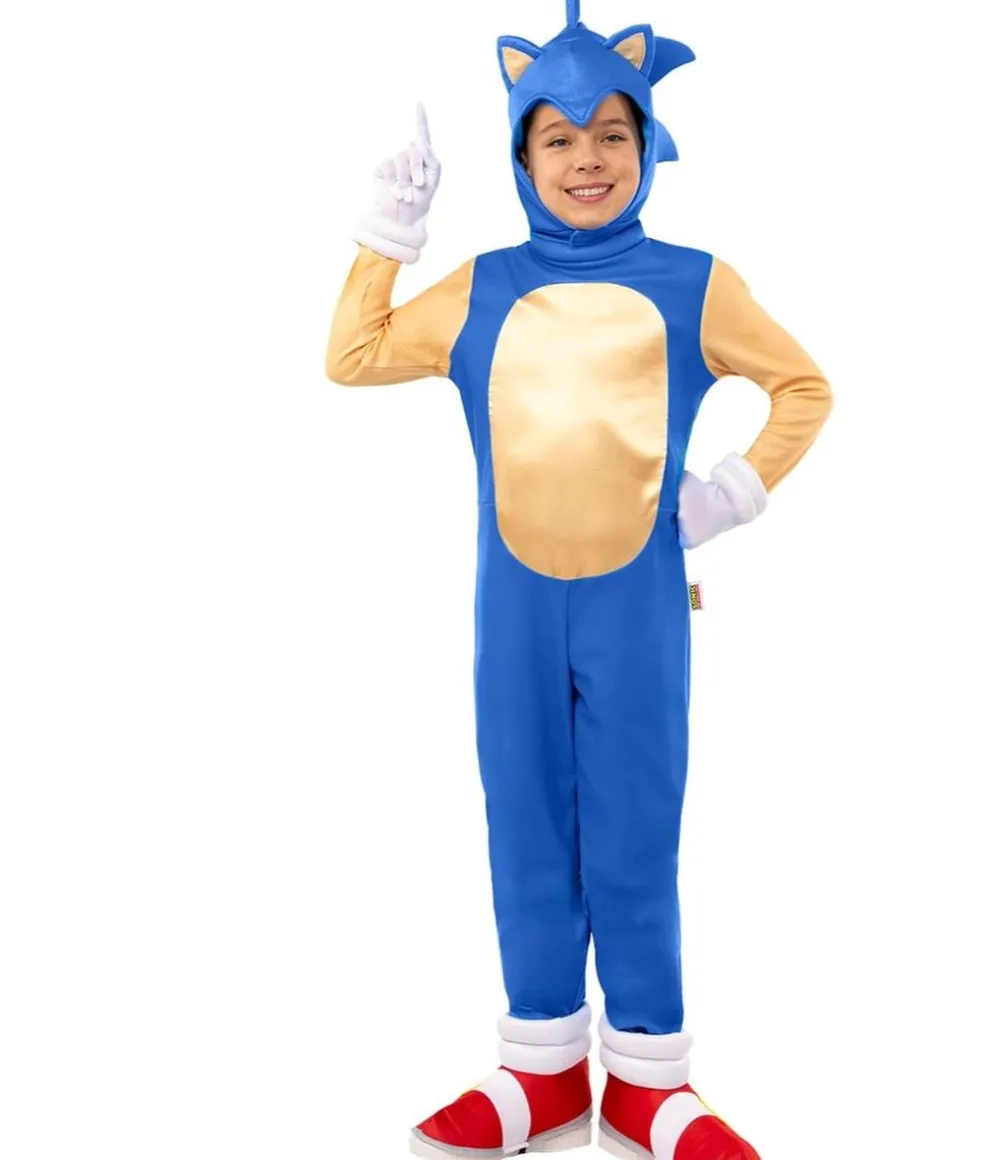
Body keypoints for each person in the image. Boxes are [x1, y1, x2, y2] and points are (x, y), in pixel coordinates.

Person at [324, 4, 833, 1158]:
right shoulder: (480, 287)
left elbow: (803, 387)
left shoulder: (693, 282)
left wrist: (732, 490)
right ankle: (541, 1067)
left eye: (611, 132)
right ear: (521, 155)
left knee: (633, 825)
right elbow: (351, 356)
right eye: (556, 137)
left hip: (637, 605)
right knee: (524, 821)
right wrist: (388, 235)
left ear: (645, 143)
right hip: (510, 609)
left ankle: (649, 1078)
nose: (586, 158)